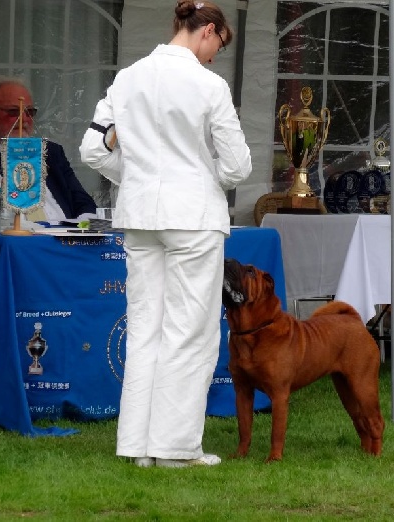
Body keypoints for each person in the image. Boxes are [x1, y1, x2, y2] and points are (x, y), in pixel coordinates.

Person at [80, 0, 251, 468]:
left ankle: (137, 447)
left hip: (139, 215)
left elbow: (93, 149)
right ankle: (174, 449)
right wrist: (198, 176)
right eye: (218, 44)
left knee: (145, 329)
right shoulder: (209, 84)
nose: (215, 54)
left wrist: (136, 173)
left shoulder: (127, 78)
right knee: (188, 332)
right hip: (192, 216)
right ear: (208, 31)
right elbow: (237, 167)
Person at [0, 76, 97, 222]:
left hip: (67, 237)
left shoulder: (50, 152)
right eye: (13, 112)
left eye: (30, 112)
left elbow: (83, 201)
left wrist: (83, 229)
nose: (24, 120)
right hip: (20, 238)